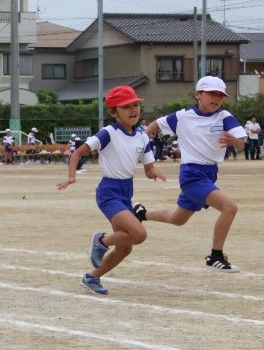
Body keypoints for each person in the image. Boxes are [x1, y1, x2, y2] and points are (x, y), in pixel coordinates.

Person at [57, 86, 165, 295]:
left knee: (125, 246)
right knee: (139, 234)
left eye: (135, 105)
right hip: (109, 192)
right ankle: (101, 240)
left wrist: (154, 172)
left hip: (126, 192)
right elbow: (78, 152)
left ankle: (92, 277)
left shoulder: (142, 137)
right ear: (114, 112)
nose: (133, 110)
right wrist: (72, 175)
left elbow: (148, 168)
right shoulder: (108, 133)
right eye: (126, 107)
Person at [136, 76, 246, 272]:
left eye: (220, 95)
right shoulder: (183, 116)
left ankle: (140, 213)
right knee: (230, 208)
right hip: (192, 175)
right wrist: (140, 144)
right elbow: (155, 125)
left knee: (178, 219)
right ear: (198, 95)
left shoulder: (224, 117)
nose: (216, 98)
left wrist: (233, 141)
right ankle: (215, 256)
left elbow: (241, 143)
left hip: (210, 173)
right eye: (211, 93)